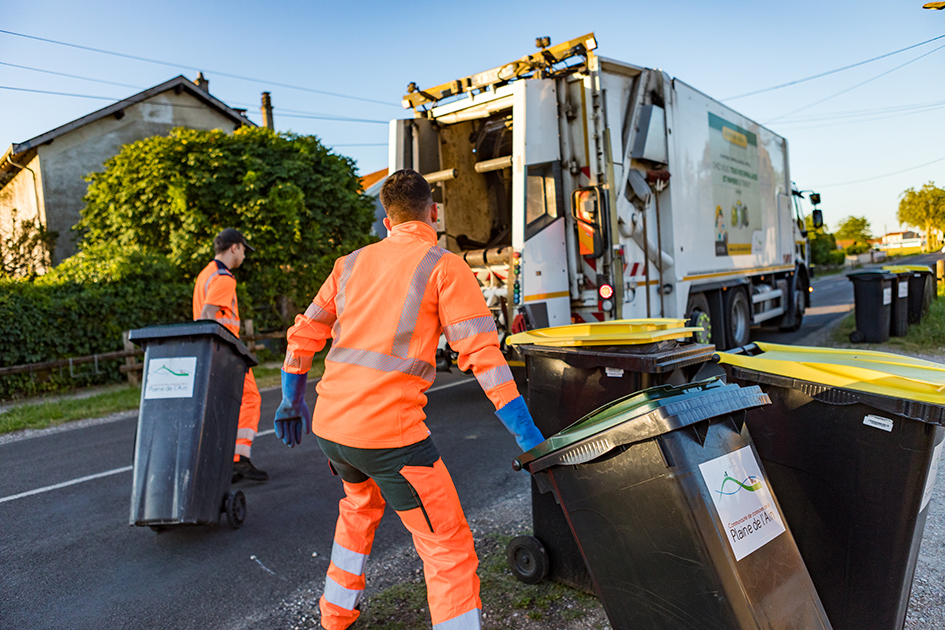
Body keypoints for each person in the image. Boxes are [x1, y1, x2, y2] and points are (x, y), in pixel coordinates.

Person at [273, 169, 544, 630]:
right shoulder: (444, 266)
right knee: (447, 547)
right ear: (433, 213)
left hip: (332, 430)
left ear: (385, 221)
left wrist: (289, 398)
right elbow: (482, 355)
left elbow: (305, 332)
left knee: (359, 508)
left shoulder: (348, 264)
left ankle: (335, 615)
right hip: (390, 439)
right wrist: (527, 434)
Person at [193, 227, 267, 483]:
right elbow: (207, 315)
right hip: (226, 352)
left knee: (223, 405)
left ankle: (226, 460)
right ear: (234, 247)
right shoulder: (224, 278)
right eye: (244, 251)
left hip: (211, 352)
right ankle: (239, 459)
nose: (244, 257)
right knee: (249, 399)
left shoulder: (206, 274)